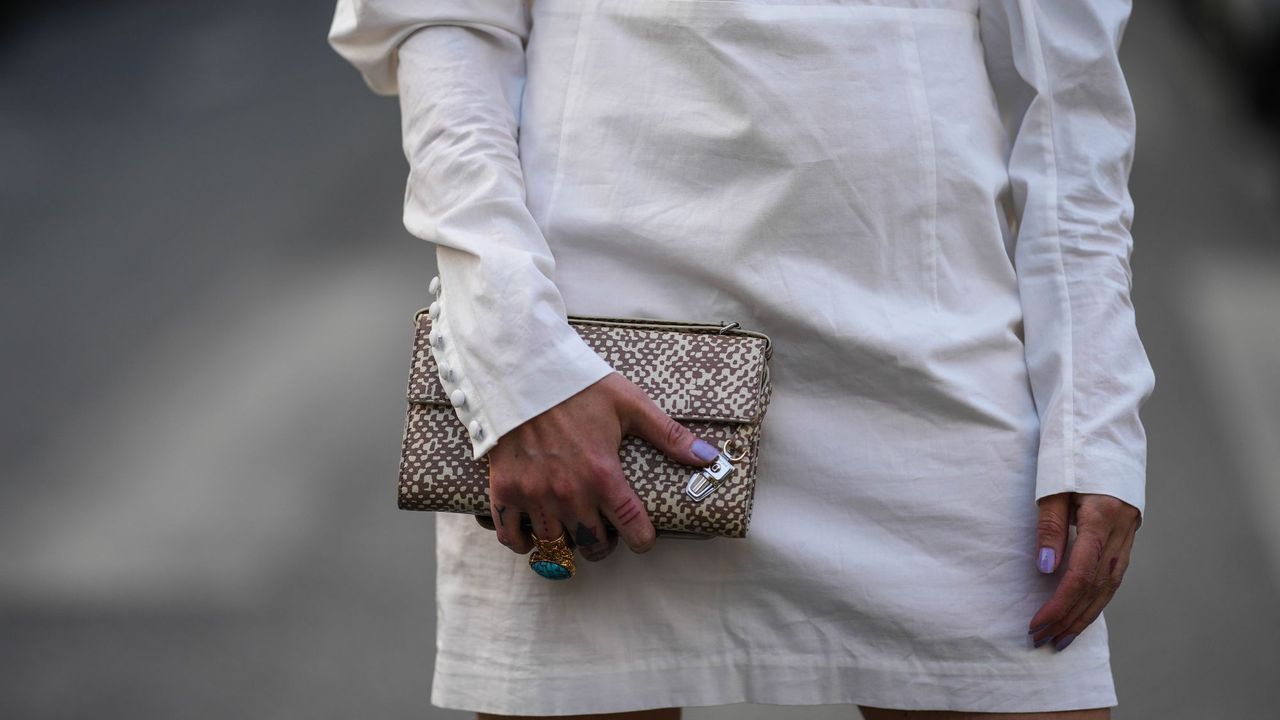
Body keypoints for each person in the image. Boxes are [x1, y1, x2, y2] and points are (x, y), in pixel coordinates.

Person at [328, 0, 1156, 717]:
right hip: (589, 369)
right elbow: (444, 25)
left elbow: (1072, 121)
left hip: (930, 364)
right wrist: (516, 353)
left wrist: (1093, 416)